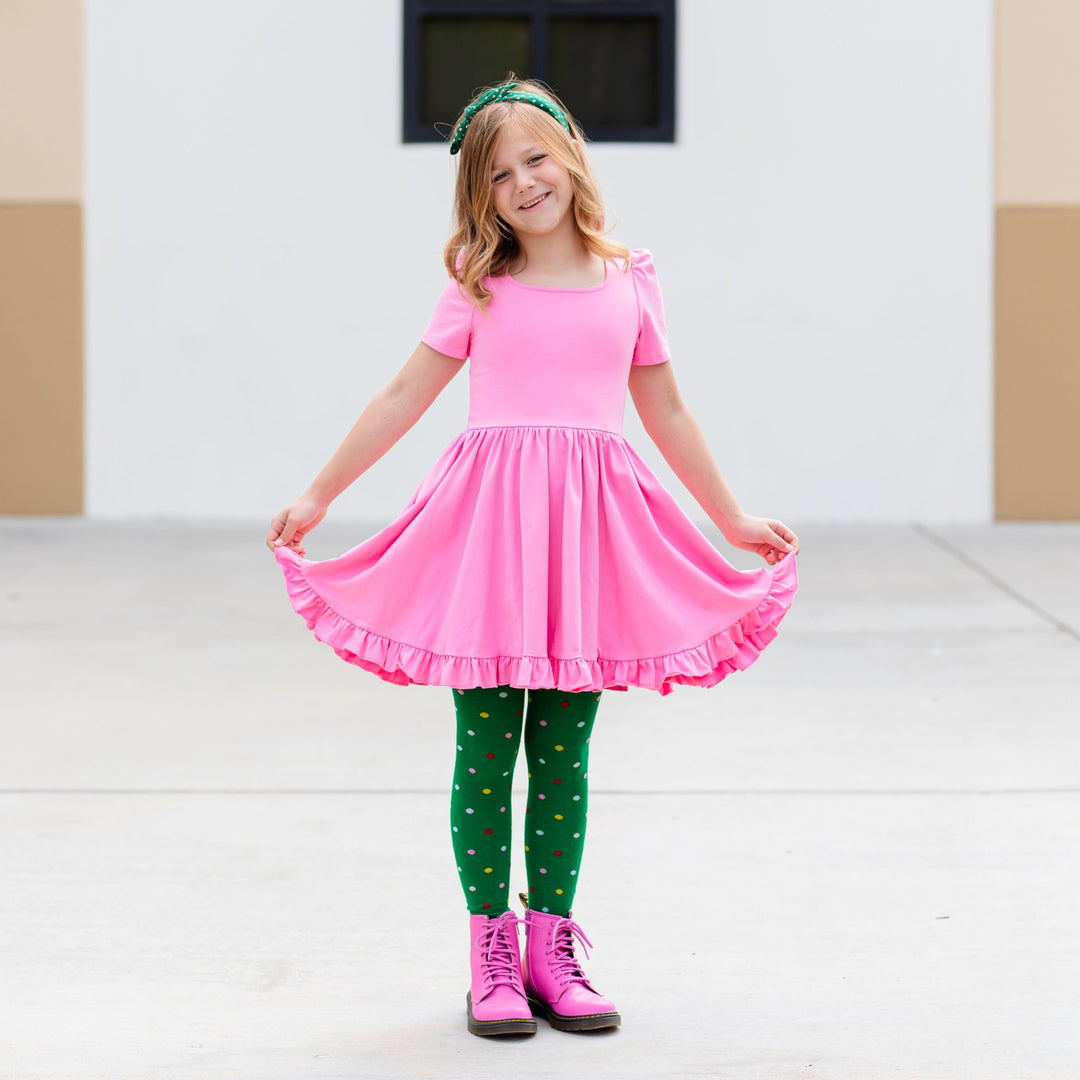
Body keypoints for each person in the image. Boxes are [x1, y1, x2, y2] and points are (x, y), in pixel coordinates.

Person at [266, 76, 799, 1038]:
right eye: (500, 173)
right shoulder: (479, 278)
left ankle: (553, 945)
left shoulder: (629, 275)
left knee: (564, 748)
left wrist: (728, 516)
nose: (524, 182)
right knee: (486, 746)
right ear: (482, 195)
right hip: (491, 535)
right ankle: (491, 953)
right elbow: (402, 394)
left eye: (536, 158)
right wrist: (320, 493)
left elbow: (664, 408)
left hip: (587, 534)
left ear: (570, 156)